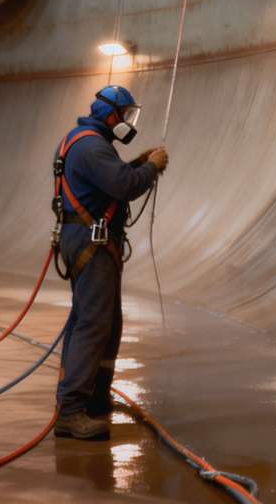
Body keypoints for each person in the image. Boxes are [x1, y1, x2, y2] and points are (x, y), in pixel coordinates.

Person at [53, 85, 168, 440]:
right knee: (93, 324)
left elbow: (107, 180)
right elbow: (123, 186)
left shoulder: (86, 141)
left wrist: (137, 163)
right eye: (125, 115)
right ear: (110, 114)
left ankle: (96, 398)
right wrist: (150, 168)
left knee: (104, 322)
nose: (128, 123)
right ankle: (71, 411)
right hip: (92, 242)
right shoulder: (91, 145)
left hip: (88, 240)